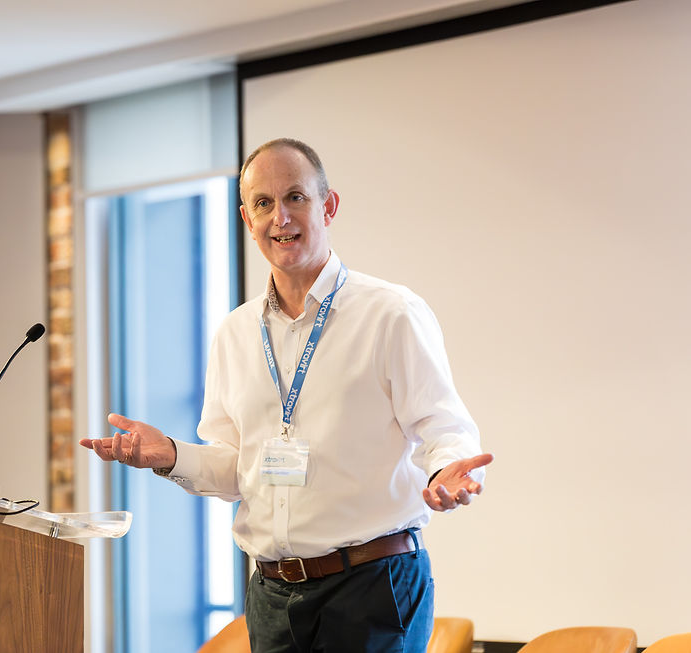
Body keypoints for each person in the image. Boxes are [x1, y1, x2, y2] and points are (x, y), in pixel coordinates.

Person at [80, 137, 493, 653]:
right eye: (263, 203)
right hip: (273, 594)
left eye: (296, 197)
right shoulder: (234, 333)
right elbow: (236, 471)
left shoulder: (391, 314)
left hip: (372, 585)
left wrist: (446, 469)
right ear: (247, 220)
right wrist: (172, 455)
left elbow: (444, 426)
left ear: (329, 205)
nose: (281, 217)